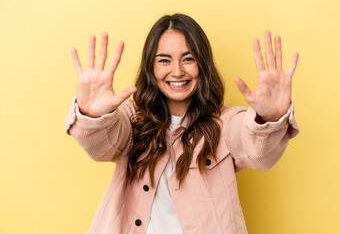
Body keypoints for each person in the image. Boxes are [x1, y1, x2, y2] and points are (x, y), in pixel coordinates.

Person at [65, 13, 299, 234]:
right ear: (151, 68)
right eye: (164, 60)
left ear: (202, 65)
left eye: (188, 59)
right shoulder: (132, 118)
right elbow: (100, 146)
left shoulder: (225, 123)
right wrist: (92, 115)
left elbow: (258, 151)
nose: (177, 71)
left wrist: (269, 118)